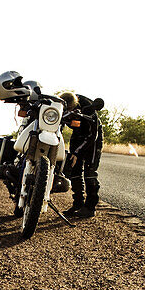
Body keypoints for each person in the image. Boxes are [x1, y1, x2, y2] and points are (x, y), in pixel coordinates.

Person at [58, 90, 104, 218]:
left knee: (90, 172)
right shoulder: (61, 107)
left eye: (71, 109)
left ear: (75, 104)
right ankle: (78, 204)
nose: (68, 112)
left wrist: (78, 152)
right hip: (77, 135)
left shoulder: (89, 109)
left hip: (93, 138)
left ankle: (90, 207)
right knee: (74, 170)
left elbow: (92, 136)